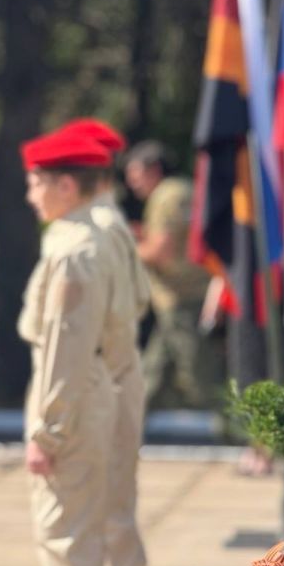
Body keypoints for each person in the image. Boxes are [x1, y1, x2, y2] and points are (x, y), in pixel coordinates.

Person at [17, 130, 117, 566]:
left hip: (70, 407)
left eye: (36, 183)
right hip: (83, 395)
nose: (29, 195)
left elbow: (65, 349)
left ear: (66, 187)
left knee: (67, 546)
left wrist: (48, 433)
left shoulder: (74, 253)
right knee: (74, 540)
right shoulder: (78, 239)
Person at [60, 118, 150, 566]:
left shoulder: (91, 230)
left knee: (93, 512)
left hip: (100, 376)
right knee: (114, 506)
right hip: (118, 371)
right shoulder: (111, 222)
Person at [124, 140, 215, 410]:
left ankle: (236, 429)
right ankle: (124, 427)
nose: (132, 183)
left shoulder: (165, 197)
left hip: (183, 296)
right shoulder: (181, 190)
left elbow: (160, 252)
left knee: (200, 372)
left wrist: (124, 249)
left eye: (135, 174)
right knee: (152, 371)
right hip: (184, 294)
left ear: (153, 169)